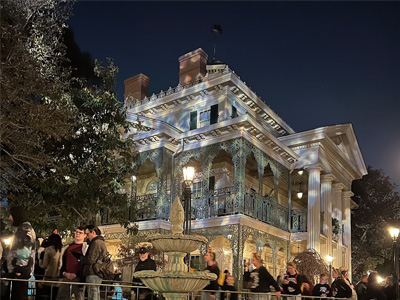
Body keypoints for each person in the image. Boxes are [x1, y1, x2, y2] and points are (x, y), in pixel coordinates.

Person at [5, 205, 36, 300]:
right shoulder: (22, 228)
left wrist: (18, 269)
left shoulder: (24, 228)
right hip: (20, 272)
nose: (10, 218)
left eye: (11, 215)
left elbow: (25, 250)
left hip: (20, 273)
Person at [56, 227, 88, 300]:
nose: (77, 234)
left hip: (78, 278)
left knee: (79, 297)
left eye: (80, 233)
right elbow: (62, 261)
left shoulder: (85, 248)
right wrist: (64, 272)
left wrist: (76, 274)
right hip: (66, 277)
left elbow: (85, 264)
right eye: (76, 232)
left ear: (85, 235)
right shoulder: (67, 247)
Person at [82, 225, 107, 300]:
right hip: (96, 272)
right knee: (95, 293)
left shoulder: (96, 243)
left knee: (93, 294)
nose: (86, 236)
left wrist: (82, 258)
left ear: (93, 232)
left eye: (87, 234)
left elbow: (90, 260)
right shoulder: (100, 242)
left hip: (93, 272)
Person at [37, 233, 63, 300]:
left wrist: (40, 260)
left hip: (48, 278)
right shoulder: (63, 249)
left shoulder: (48, 249)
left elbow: (44, 265)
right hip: (59, 279)